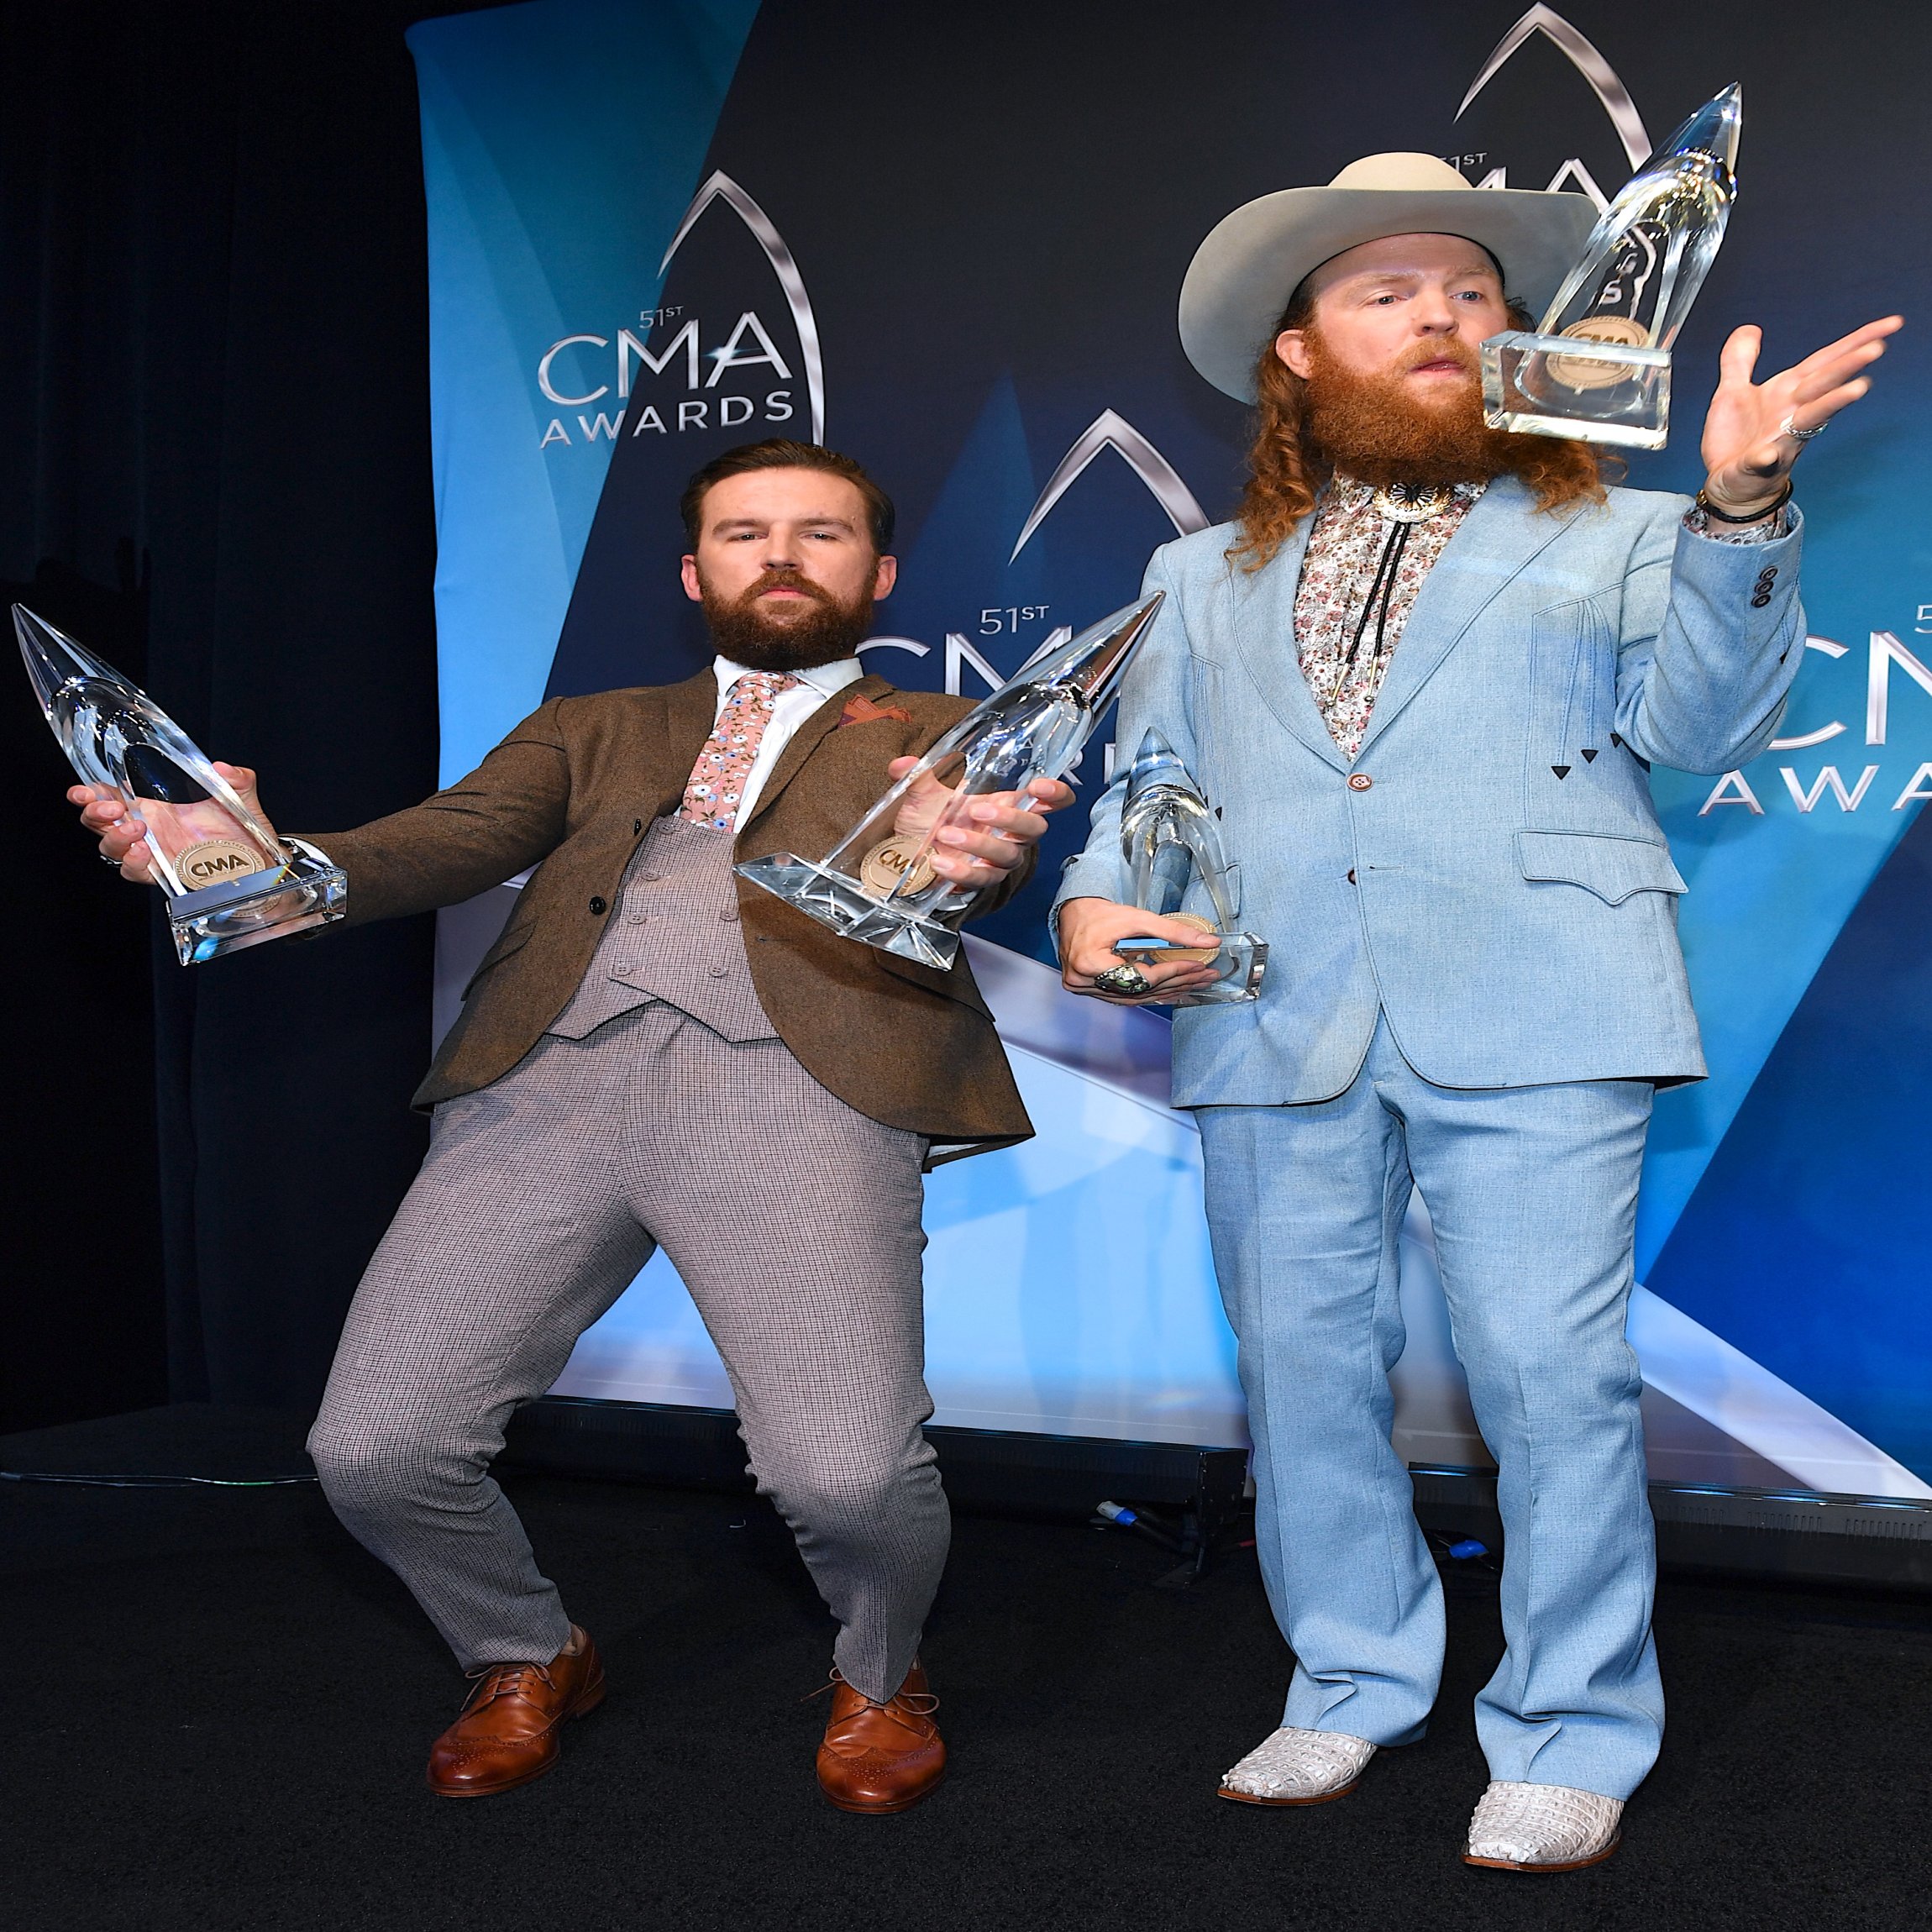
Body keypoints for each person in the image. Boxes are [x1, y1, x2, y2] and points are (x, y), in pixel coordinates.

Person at [1054, 153, 1898, 1872]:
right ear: (1296, 352)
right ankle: (1349, 1678)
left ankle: (1572, 1723)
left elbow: (1711, 726)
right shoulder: (1192, 571)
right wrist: (1093, 894)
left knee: (1548, 1378)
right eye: (1385, 292)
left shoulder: (1623, 525)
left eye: (1469, 291)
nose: (1440, 315)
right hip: (1261, 1007)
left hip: (1544, 997)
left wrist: (1740, 507)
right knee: (1299, 1375)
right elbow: (1152, 785)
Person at [74, 437, 1072, 1812]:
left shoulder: (944, 734)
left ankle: (883, 1670)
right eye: (745, 532)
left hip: (803, 1090)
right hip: (544, 1088)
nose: (781, 555)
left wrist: (984, 850)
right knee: (374, 1447)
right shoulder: (589, 725)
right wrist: (258, 854)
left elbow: (975, 859)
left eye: (821, 533)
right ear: (693, 569)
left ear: (880, 571)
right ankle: (524, 1649)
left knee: (843, 1477)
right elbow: (439, 841)